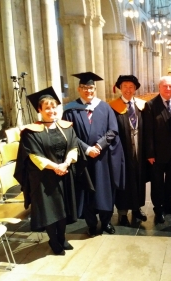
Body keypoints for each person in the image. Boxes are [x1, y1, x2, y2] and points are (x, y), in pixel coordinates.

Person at [15, 87, 79, 255]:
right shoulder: (30, 132)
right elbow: (34, 156)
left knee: (64, 208)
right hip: (44, 178)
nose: (51, 111)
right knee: (50, 210)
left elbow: (74, 147)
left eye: (54, 107)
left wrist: (65, 163)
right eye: (47, 108)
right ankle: (53, 240)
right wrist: (55, 166)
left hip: (64, 174)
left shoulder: (66, 127)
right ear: (40, 110)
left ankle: (62, 238)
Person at [63, 72, 125, 237]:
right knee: (87, 191)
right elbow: (69, 135)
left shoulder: (104, 107)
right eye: (84, 88)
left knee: (105, 190)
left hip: (103, 158)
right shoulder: (70, 110)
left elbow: (113, 130)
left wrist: (99, 145)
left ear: (95, 88)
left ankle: (106, 222)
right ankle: (91, 223)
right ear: (79, 89)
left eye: (91, 88)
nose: (88, 91)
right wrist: (87, 149)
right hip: (83, 158)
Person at [143, 76, 171, 224]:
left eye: (170, 86)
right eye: (165, 86)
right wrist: (150, 153)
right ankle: (158, 209)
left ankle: (169, 204)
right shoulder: (151, 105)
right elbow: (148, 132)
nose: (168, 89)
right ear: (159, 87)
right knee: (157, 183)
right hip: (157, 154)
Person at [109, 75, 148, 226]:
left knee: (138, 178)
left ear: (135, 89)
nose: (128, 89)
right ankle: (123, 213)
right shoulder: (112, 107)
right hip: (122, 150)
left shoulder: (141, 106)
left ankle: (136, 208)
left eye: (131, 87)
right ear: (120, 88)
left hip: (139, 148)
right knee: (124, 181)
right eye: (125, 86)